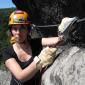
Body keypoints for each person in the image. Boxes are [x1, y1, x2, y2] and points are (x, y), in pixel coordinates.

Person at [2, 10, 63, 85]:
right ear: (11, 31)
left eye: (22, 28)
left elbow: (57, 40)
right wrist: (40, 60)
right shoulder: (7, 52)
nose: (18, 32)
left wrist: (63, 30)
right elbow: (21, 77)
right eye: (15, 29)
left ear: (28, 30)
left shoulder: (35, 43)